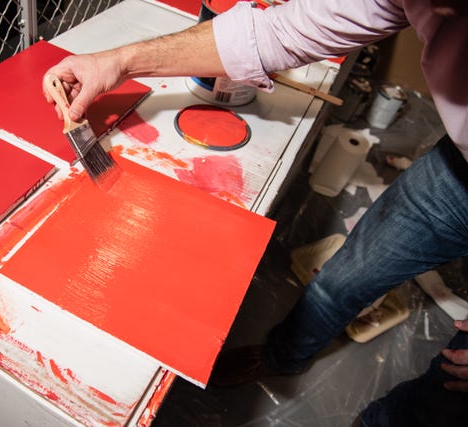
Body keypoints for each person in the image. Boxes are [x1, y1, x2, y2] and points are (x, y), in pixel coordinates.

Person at [44, 0, 468, 425]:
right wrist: (117, 61)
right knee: (344, 278)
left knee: (445, 390)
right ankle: (282, 356)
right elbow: (279, 33)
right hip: (456, 170)